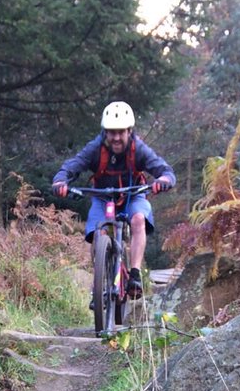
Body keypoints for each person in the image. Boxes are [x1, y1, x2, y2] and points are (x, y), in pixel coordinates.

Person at [52, 101, 175, 298]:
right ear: (105, 132)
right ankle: (99, 280)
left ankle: (134, 275)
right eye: (111, 132)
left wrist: (163, 180)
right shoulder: (95, 148)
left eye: (121, 132)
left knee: (138, 220)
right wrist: (60, 180)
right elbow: (73, 165)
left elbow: (164, 170)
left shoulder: (139, 149)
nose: (116, 137)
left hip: (133, 195)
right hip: (103, 197)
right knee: (98, 232)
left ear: (129, 130)